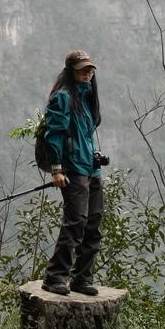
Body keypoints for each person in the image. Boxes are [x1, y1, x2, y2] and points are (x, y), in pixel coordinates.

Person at [41, 48, 104, 296]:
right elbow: (53, 134)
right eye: (82, 69)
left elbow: (86, 136)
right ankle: (55, 276)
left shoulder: (87, 97)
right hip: (73, 170)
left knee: (94, 224)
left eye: (90, 69)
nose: (87, 73)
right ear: (71, 71)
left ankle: (82, 278)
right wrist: (57, 169)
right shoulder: (63, 98)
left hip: (91, 169)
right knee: (76, 222)